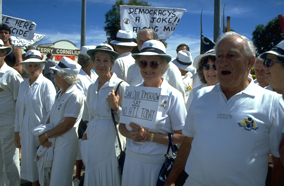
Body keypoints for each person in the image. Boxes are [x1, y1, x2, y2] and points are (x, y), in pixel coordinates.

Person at [165, 32, 284, 186]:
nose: (222, 62)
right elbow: (188, 143)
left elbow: (278, 164)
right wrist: (171, 180)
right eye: (219, 56)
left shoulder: (272, 103)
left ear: (250, 62)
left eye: (231, 55)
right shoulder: (200, 96)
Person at [119, 40, 186, 186]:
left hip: (156, 164)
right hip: (131, 161)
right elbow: (122, 127)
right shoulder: (133, 92)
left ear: (163, 66)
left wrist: (149, 136)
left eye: (153, 63)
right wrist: (133, 135)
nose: (148, 68)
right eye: (143, 63)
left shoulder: (173, 96)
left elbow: (181, 136)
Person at [80, 43, 128, 186]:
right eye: (98, 60)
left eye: (106, 60)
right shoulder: (91, 87)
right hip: (93, 138)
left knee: (109, 173)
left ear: (112, 63)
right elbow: (89, 115)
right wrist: (86, 133)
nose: (101, 64)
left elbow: (127, 119)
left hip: (110, 138)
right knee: (93, 171)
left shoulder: (120, 86)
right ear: (92, 62)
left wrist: (115, 107)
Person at [37, 57, 84, 185]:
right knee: (53, 180)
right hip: (54, 142)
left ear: (63, 75)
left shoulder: (75, 95)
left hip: (65, 145)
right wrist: (46, 136)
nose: (54, 75)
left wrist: (45, 135)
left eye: (56, 72)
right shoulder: (61, 93)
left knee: (60, 180)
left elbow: (67, 124)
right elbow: (52, 117)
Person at [14, 50, 56, 186]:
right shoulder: (23, 85)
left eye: (36, 65)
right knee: (31, 169)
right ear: (25, 67)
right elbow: (18, 110)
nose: (33, 69)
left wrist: (46, 134)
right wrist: (17, 131)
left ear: (41, 67)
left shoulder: (46, 85)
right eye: (30, 65)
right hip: (26, 133)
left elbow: (51, 112)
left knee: (42, 168)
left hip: (41, 134)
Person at [126, 28, 186, 101]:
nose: (148, 68)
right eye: (141, 41)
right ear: (137, 43)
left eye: (154, 64)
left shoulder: (172, 68)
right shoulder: (131, 68)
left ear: (157, 41)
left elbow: (180, 97)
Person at [73, 46, 98, 186]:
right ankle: (77, 176)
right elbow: (80, 98)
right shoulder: (78, 77)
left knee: (90, 147)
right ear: (88, 61)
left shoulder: (94, 75)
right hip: (84, 116)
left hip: (94, 116)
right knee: (81, 146)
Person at [0, 39, 22, 186]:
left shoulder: (11, 75)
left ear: (3, 53)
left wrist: (17, 129)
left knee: (10, 163)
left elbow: (21, 103)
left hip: (8, 126)